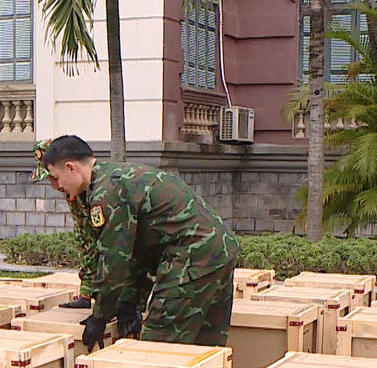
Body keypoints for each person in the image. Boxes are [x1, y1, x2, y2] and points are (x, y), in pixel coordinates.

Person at [42, 135, 240, 347]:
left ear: (71, 167)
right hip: (219, 250)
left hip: (194, 256)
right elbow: (139, 249)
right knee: (203, 347)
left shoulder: (106, 192)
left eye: (56, 177)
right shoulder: (117, 175)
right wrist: (129, 301)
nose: (56, 186)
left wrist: (100, 315)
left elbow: (114, 260)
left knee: (156, 346)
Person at [31, 139, 97, 308]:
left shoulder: (96, 190)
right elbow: (85, 239)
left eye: (55, 178)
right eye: (51, 180)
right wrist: (86, 294)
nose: (56, 185)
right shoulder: (74, 194)